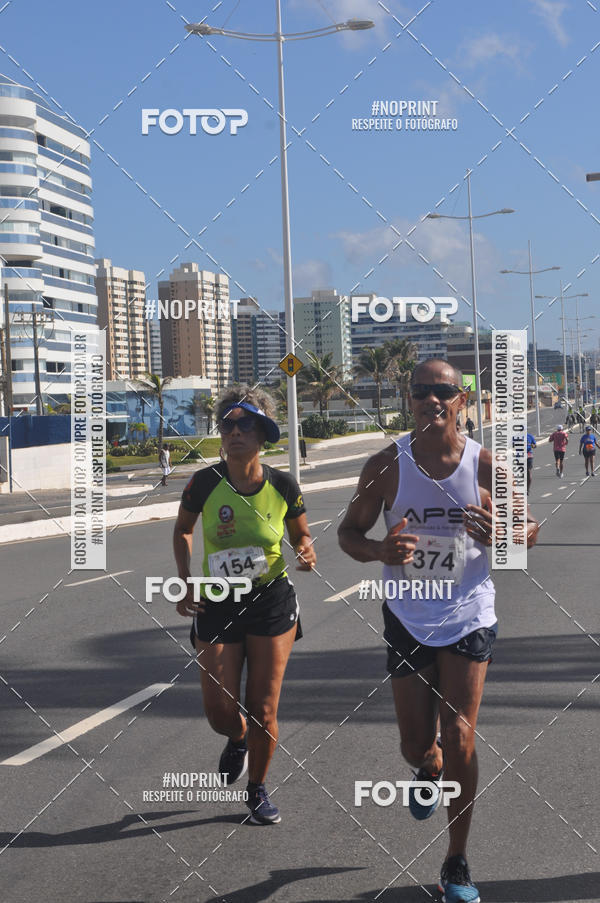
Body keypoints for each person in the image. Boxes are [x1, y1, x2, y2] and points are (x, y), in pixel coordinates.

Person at [338, 358, 539, 903]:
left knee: (461, 736)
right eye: (422, 391)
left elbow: (528, 531)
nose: (433, 400)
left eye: (444, 392)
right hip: (407, 614)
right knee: (415, 745)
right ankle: (425, 770)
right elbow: (348, 533)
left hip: (470, 611)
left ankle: (456, 862)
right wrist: (379, 549)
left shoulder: (486, 466)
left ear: (461, 402)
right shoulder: (386, 465)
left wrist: (503, 531)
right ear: (410, 401)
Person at [172, 387, 316, 826]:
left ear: (263, 433)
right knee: (219, 709)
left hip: (271, 599)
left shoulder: (283, 485)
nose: (234, 433)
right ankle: (237, 739)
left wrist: (306, 551)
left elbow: (301, 536)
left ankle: (257, 788)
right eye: (227, 425)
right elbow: (182, 531)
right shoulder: (203, 482)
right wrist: (186, 581)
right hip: (218, 600)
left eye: (245, 424)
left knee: (264, 707)